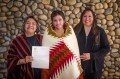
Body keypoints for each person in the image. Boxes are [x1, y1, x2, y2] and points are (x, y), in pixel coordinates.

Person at [41, 10, 83, 79]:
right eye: (55, 20)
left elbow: (75, 49)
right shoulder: (47, 33)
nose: (58, 22)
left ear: (63, 20)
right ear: (52, 21)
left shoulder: (70, 31)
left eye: (60, 20)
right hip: (54, 67)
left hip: (70, 66)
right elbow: (45, 53)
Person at [74, 7, 110, 79]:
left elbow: (106, 48)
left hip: (95, 67)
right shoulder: (76, 30)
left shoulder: (100, 31)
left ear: (93, 18)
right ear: (81, 18)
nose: (87, 19)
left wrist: (91, 56)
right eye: (85, 16)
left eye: (90, 16)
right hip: (79, 66)